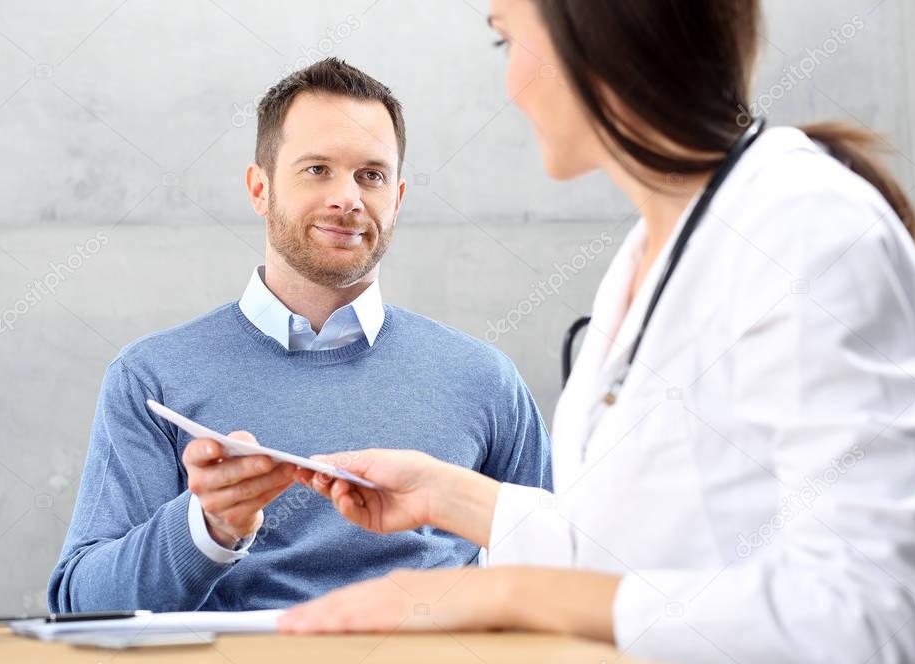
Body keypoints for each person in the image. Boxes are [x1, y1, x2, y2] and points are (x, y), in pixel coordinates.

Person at [278, 3, 915, 664]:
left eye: (505, 42)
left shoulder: (805, 227)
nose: (509, 83)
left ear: (596, 35)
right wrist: (453, 499)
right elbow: (646, 552)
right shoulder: (646, 251)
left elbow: (875, 618)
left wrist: (512, 595)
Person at [48, 58, 551, 614]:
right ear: (259, 188)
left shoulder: (484, 380)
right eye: (317, 169)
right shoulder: (150, 378)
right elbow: (80, 604)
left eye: (372, 175)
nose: (348, 198)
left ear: (399, 198)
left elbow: (563, 580)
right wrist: (208, 528)